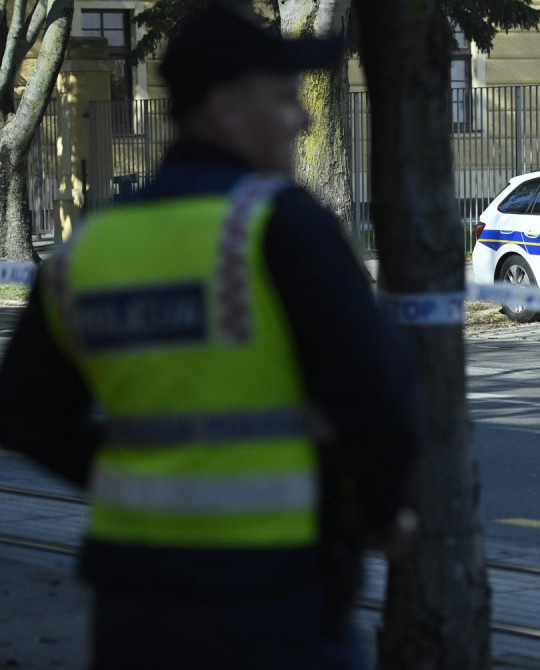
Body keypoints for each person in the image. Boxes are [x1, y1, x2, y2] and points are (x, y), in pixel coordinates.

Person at [0, 4, 423, 669]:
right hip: (272, 596)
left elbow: (23, 411)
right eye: (284, 100)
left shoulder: (87, 250)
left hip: (132, 603)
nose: (304, 119)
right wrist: (381, 514)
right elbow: (379, 388)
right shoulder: (277, 223)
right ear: (226, 109)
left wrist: (121, 475)